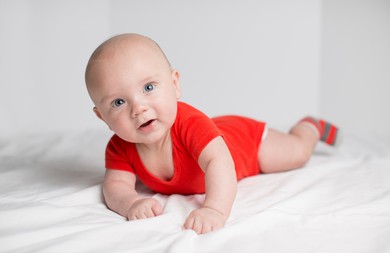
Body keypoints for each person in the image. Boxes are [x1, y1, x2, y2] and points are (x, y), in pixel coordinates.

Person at [85, 33, 339, 235]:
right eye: (118, 102)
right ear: (102, 116)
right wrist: (131, 203)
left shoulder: (190, 124)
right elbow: (115, 186)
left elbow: (219, 162)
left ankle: (309, 127)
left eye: (148, 87)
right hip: (218, 129)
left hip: (247, 144)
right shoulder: (120, 147)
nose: (138, 108)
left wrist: (215, 210)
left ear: (174, 85)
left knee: (296, 153)